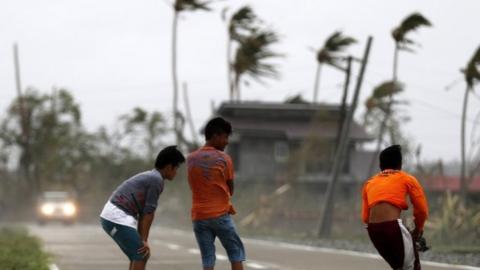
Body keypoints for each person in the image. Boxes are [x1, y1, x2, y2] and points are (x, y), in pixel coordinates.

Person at [100, 145, 185, 270]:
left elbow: (143, 213)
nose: (176, 172)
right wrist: (144, 240)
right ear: (168, 167)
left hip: (114, 215)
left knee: (137, 254)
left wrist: (142, 240)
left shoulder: (153, 177)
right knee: (141, 254)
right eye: (176, 168)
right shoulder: (156, 180)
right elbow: (148, 213)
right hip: (116, 216)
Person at [187, 117, 246, 270]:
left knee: (208, 258)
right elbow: (230, 189)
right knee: (235, 253)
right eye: (225, 137)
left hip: (198, 216)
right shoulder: (224, 158)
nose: (227, 142)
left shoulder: (191, 159)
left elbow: (193, 185)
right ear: (215, 136)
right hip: (219, 215)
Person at [362, 145, 429, 270]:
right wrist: (418, 229)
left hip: (373, 231)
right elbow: (422, 211)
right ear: (400, 164)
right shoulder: (407, 179)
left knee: (398, 267)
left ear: (380, 166)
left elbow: (365, 217)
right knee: (412, 267)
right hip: (392, 227)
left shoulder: (369, 183)